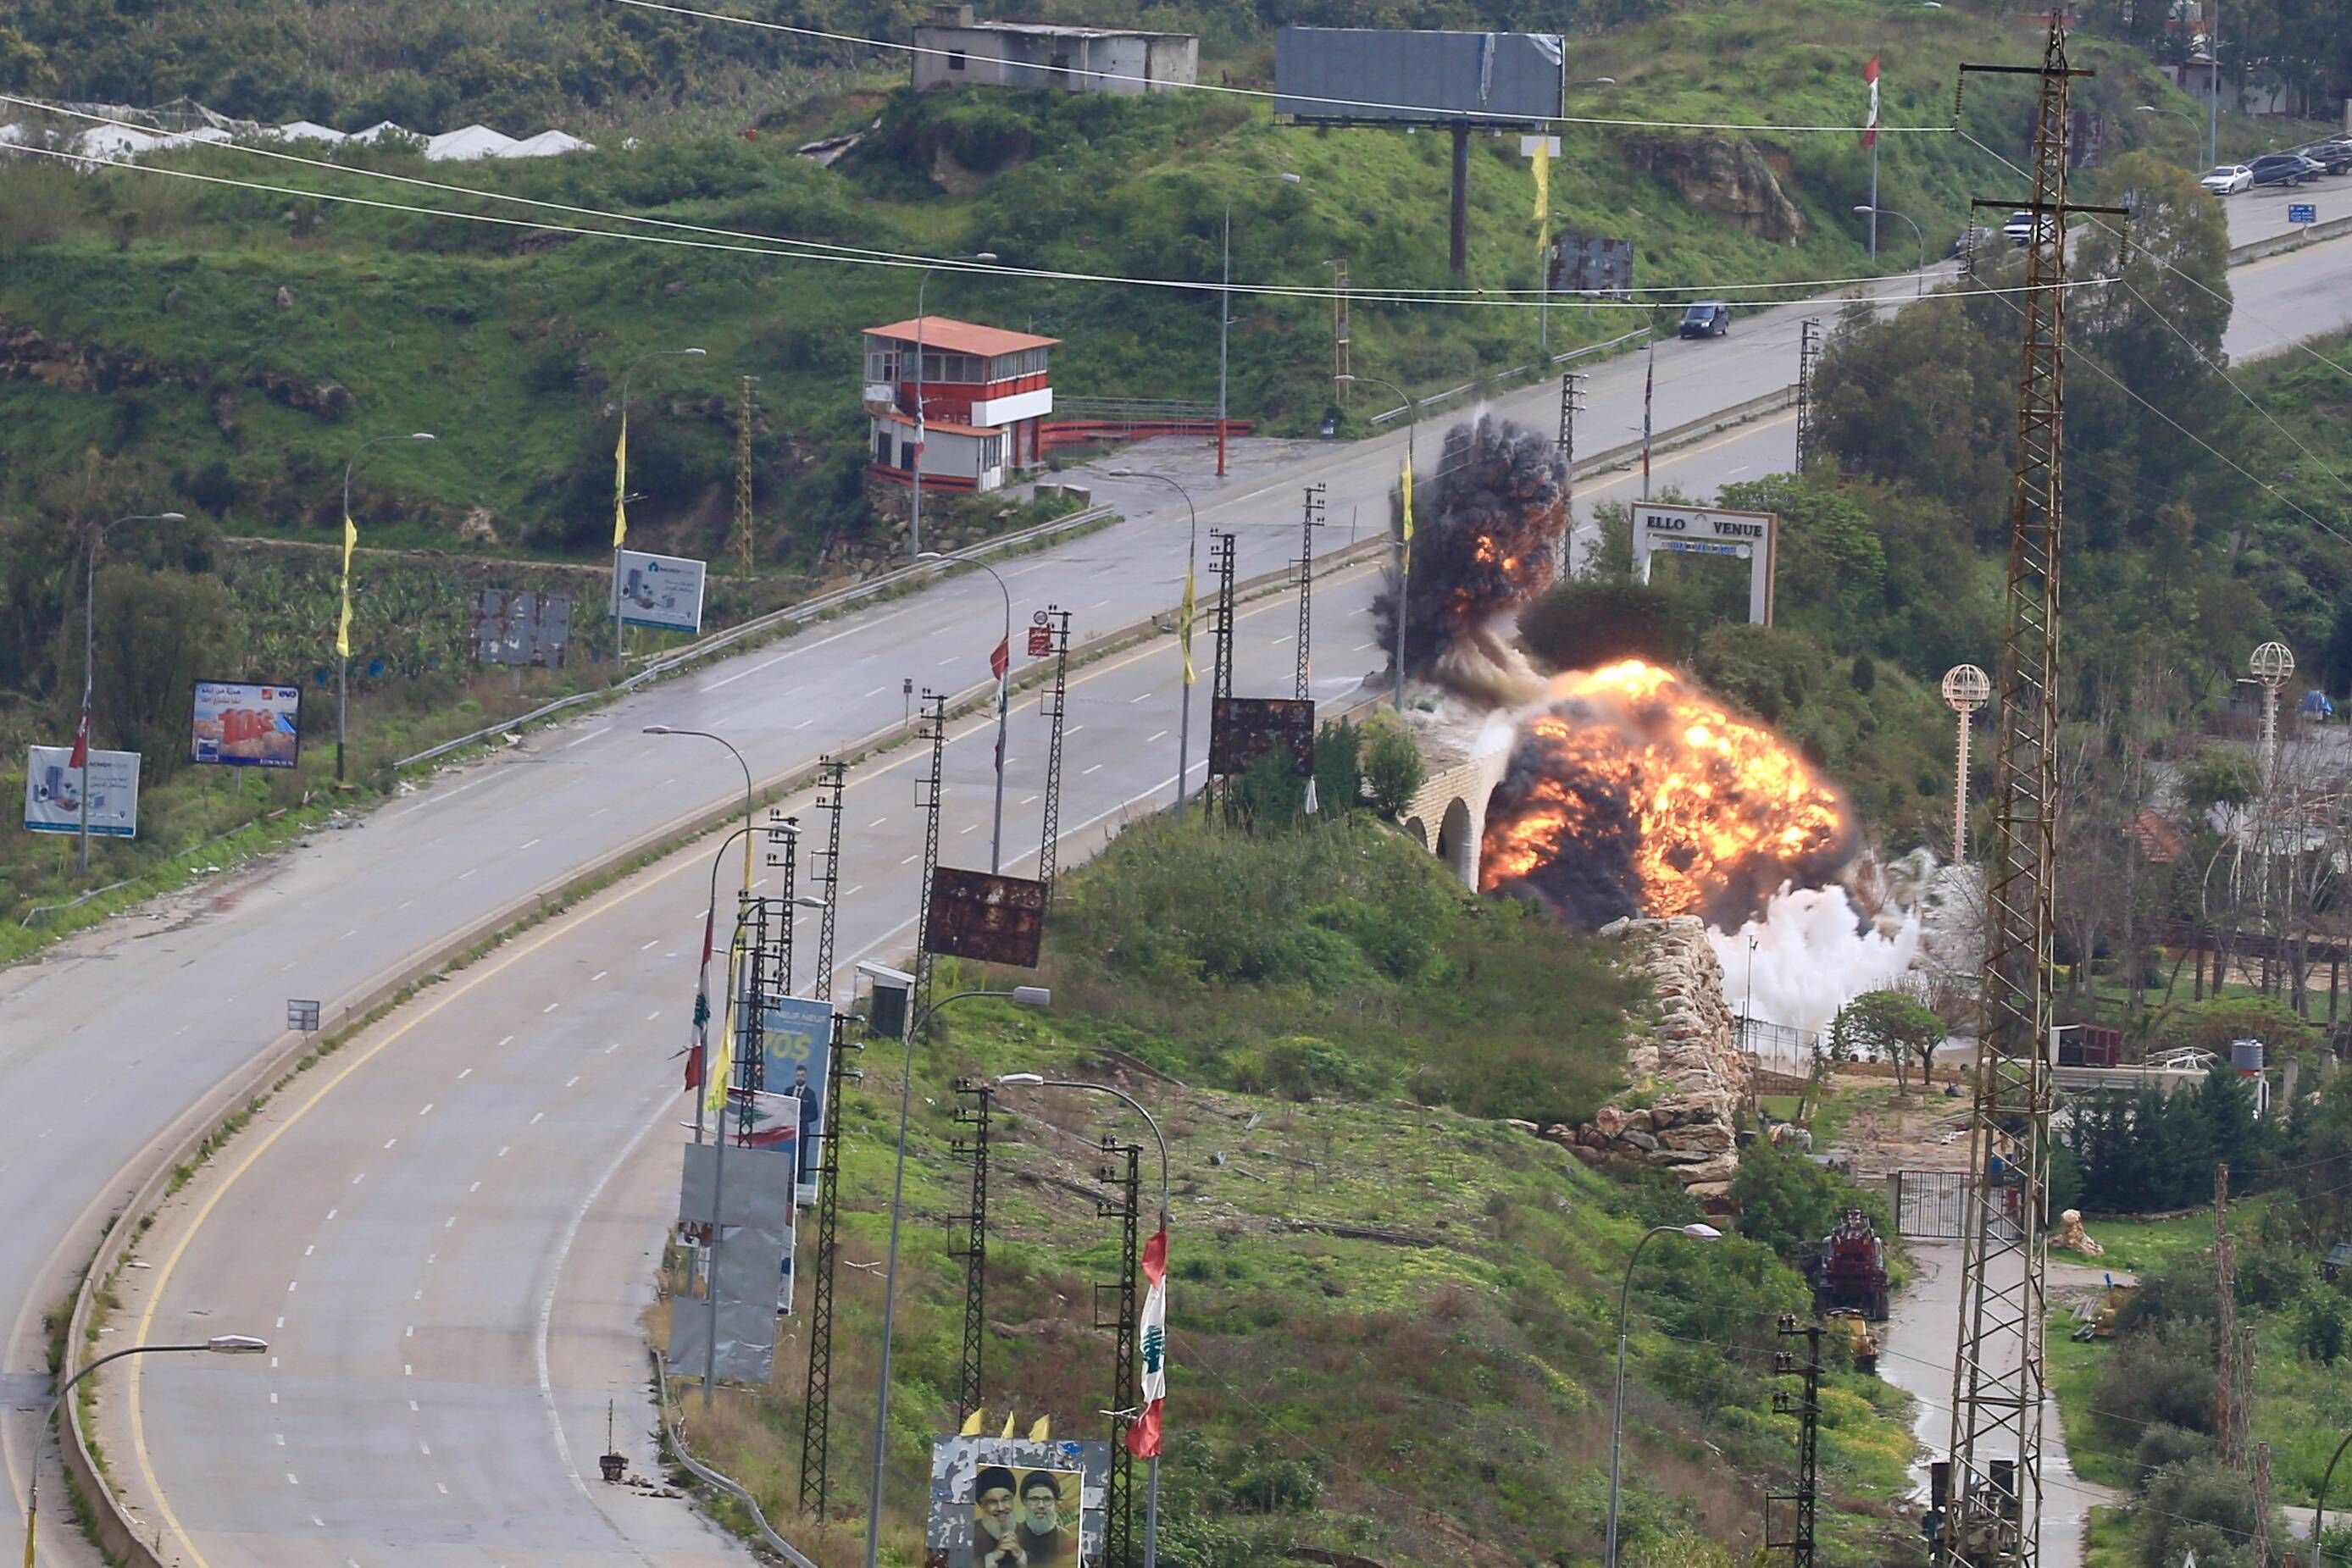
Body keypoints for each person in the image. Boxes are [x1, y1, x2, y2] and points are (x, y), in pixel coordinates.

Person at [973, 1466, 1023, 1568]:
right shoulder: (969, 1533)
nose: (1000, 1508)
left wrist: (1022, 1556)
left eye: (1005, 1499)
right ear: (982, 1505)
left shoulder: (1026, 1532)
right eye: (992, 1502)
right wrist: (991, 1558)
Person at [1016, 1471, 1072, 1563]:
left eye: (1047, 1499)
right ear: (1025, 1502)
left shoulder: (1067, 1539)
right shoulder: (1013, 1537)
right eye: (1034, 1499)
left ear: (1055, 1503)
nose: (1041, 1505)